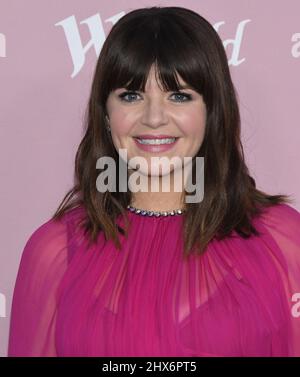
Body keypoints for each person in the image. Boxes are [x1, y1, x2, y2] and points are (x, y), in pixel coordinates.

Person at [7, 6, 300, 357]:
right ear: (105, 112)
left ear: (213, 110)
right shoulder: (54, 252)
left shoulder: (282, 241)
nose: (155, 118)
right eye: (131, 96)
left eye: (179, 95)